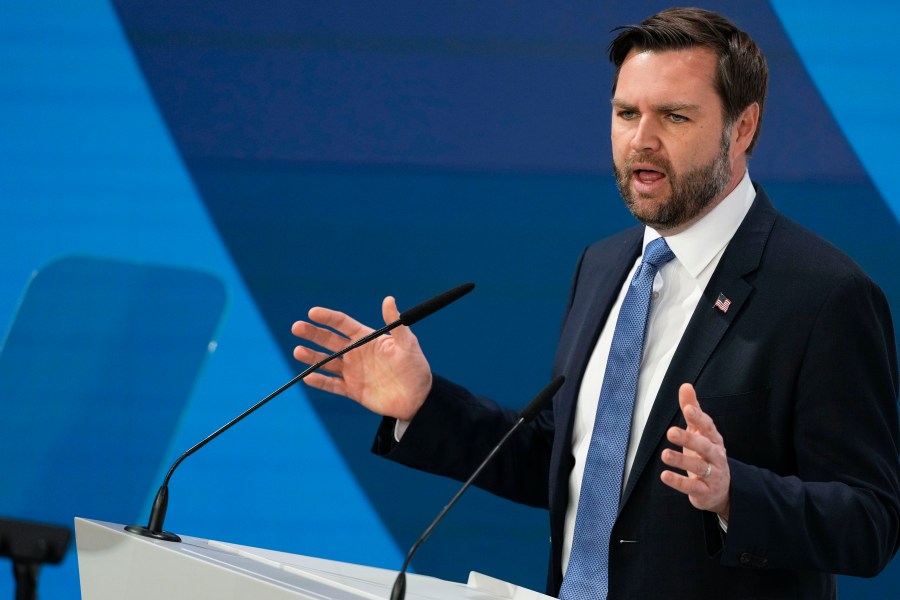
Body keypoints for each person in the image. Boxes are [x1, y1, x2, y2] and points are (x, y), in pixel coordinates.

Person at [291, 8, 900, 599]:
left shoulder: (824, 295)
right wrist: (424, 406)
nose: (642, 140)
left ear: (743, 128)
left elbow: (871, 522)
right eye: (626, 112)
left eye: (675, 117)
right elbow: (572, 464)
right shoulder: (605, 265)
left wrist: (734, 492)